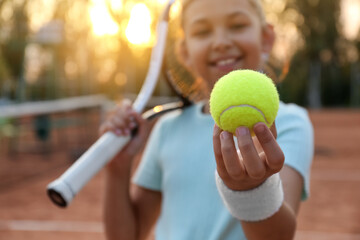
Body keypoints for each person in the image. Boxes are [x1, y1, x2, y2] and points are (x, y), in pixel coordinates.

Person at [99, 0, 314, 239]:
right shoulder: (166, 130)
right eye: (202, 31)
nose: (221, 42)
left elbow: (279, 236)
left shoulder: (290, 122)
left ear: (265, 38)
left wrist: (252, 192)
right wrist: (118, 169)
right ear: (185, 53)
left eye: (238, 25)